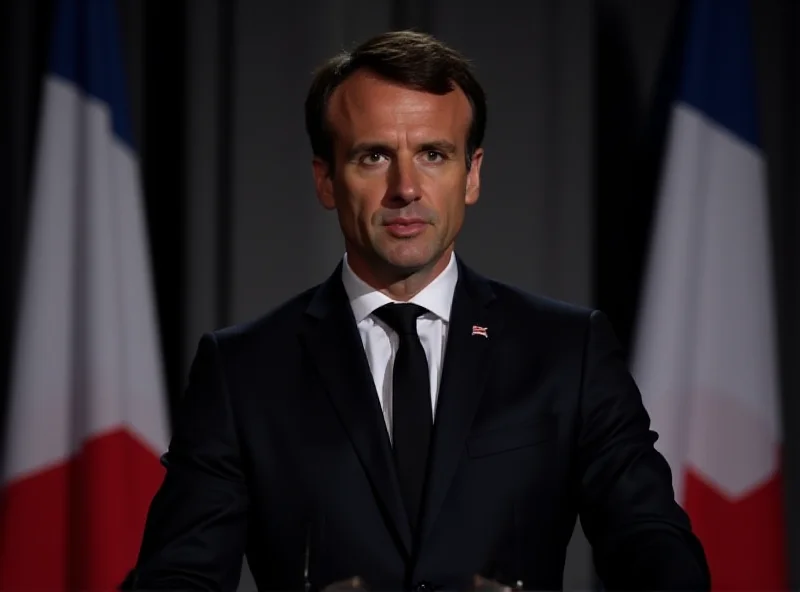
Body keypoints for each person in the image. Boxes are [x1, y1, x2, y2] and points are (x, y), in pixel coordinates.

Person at [125, 30, 710, 592]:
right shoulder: (244, 369)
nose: (406, 187)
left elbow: (653, 547)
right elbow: (179, 574)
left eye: (433, 153)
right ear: (326, 179)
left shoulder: (566, 351)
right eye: (374, 156)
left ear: (471, 174)